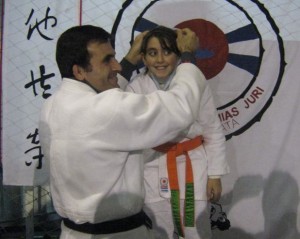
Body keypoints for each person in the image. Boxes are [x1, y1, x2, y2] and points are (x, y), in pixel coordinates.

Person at [38, 25, 205, 239]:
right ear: (79, 71)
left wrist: (128, 61)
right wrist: (188, 57)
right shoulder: (104, 110)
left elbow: (111, 109)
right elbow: (180, 107)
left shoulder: (52, 106)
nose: (117, 66)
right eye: (107, 60)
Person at [125, 26, 230, 239]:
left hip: (191, 164)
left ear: (179, 54)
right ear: (143, 58)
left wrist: (215, 174)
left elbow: (212, 128)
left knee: (195, 231)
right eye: (153, 53)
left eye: (167, 51)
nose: (160, 59)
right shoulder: (136, 86)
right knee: (157, 229)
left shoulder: (192, 81)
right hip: (152, 165)